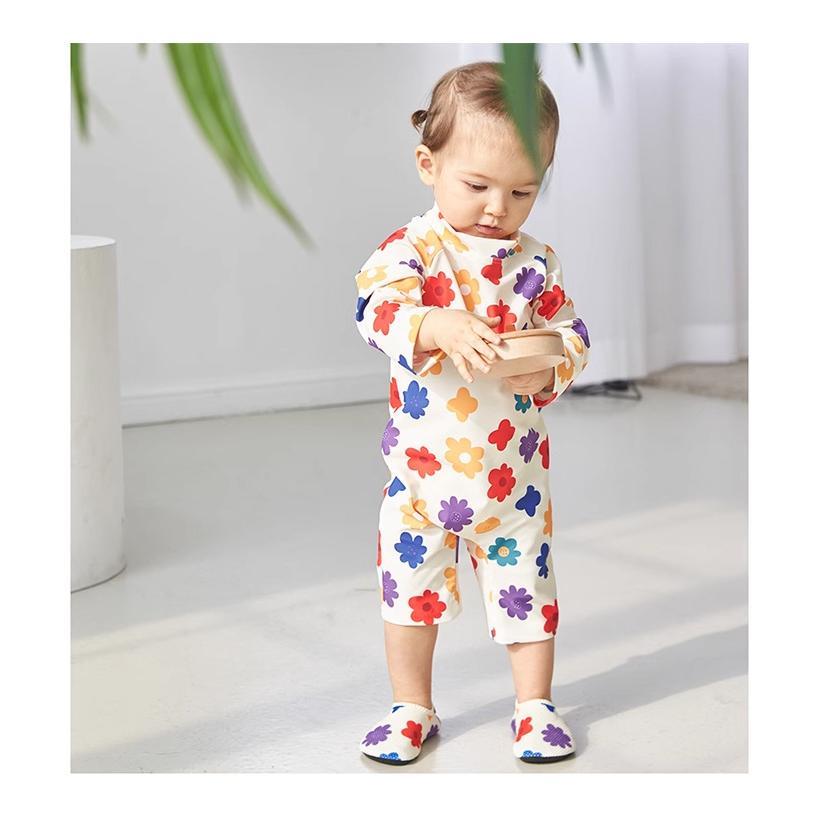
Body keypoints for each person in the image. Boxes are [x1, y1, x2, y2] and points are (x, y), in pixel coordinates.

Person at [353, 60, 591, 765]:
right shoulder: (414, 250)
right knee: (408, 595)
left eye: (523, 190)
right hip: (420, 482)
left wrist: (551, 363)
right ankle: (411, 707)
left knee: (529, 595)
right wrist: (435, 323)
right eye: (478, 185)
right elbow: (375, 306)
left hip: (513, 481)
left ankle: (534, 706)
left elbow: (573, 333)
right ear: (429, 166)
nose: (498, 207)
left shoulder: (537, 264)